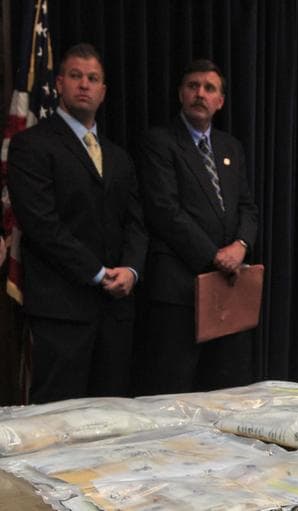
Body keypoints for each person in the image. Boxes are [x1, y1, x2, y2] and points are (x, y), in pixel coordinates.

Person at [7, 43, 147, 403]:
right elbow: (42, 224)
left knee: (111, 420)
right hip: (62, 311)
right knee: (58, 422)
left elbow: (136, 222)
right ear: (59, 84)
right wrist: (99, 273)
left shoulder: (119, 156)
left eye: (93, 78)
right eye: (75, 76)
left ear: (103, 91)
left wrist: (130, 270)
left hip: (116, 313)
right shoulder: (30, 145)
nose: (84, 84)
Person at [136, 59, 259, 394]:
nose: (200, 94)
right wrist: (213, 255)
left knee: (228, 389)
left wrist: (241, 246)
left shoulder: (231, 146)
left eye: (209, 88)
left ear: (220, 101)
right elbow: (164, 211)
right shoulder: (159, 142)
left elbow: (247, 206)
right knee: (175, 390)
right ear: (180, 93)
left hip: (228, 288)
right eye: (193, 86)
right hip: (179, 289)